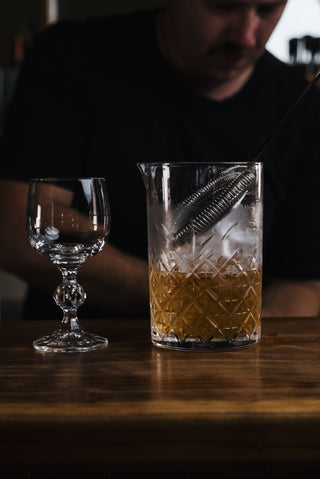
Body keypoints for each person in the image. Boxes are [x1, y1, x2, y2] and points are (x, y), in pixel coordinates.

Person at [1, 0, 320, 319]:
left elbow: (304, 286)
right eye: (224, 6)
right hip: (72, 355)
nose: (247, 36)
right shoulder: (68, 55)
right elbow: (19, 228)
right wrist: (187, 298)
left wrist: (229, 336)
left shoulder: (301, 107)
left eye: (267, 9)